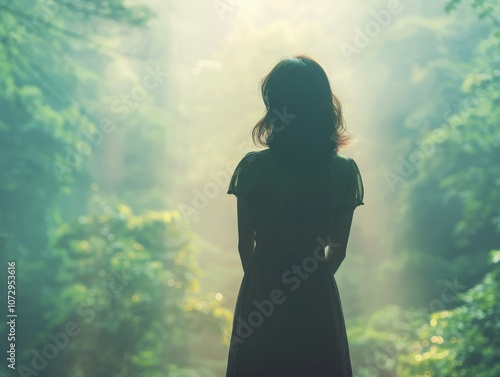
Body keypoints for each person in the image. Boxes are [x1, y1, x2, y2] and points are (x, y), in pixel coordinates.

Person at [225, 54, 364, 377]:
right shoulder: (344, 173)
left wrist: (262, 281)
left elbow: (244, 245)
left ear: (276, 107)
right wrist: (313, 280)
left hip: (262, 286)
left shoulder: (254, 169)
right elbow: (339, 249)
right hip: (317, 288)